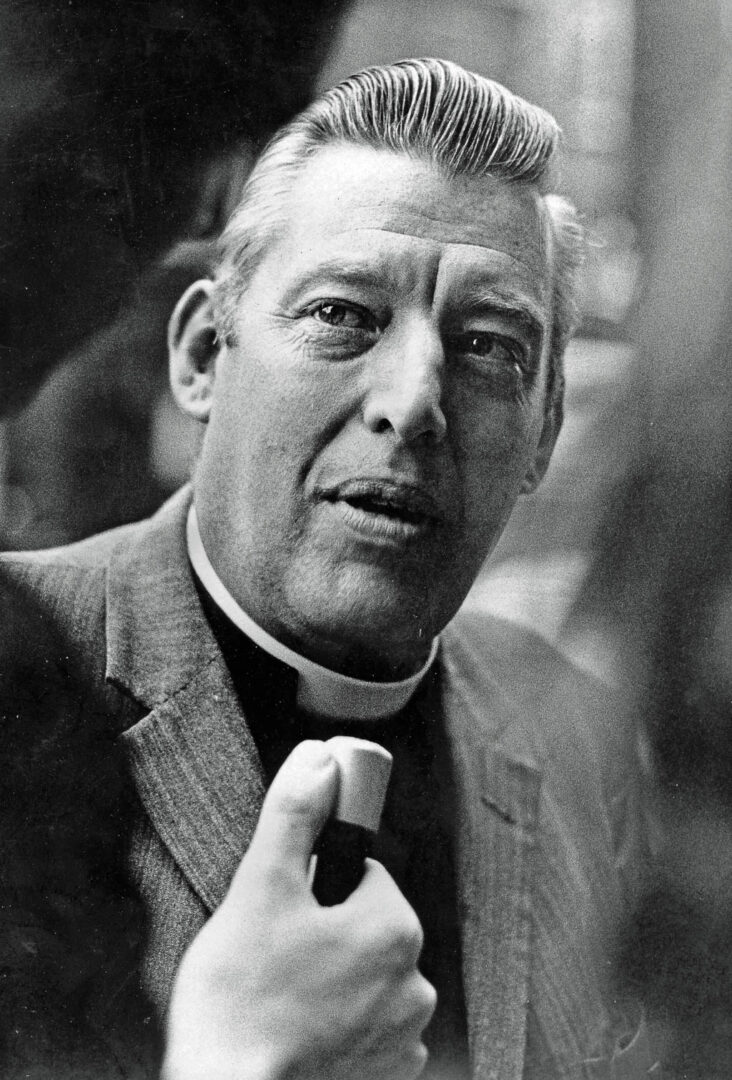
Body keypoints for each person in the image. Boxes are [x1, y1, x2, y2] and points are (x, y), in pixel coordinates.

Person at [0, 59, 655, 1080]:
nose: (413, 401)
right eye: (343, 316)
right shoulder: (22, 678)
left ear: (545, 434)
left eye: (487, 346)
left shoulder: (579, 738)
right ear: (205, 356)